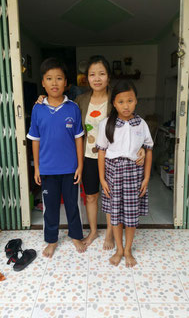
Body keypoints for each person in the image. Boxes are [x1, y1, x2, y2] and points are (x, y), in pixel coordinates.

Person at [75, 55, 145, 248]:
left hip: (112, 159)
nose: (97, 78)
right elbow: (65, 113)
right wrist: (42, 99)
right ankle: (93, 232)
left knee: (110, 197)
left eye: (102, 74)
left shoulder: (116, 99)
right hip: (89, 156)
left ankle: (109, 235)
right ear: (87, 78)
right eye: (92, 74)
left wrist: (142, 148)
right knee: (91, 195)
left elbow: (133, 123)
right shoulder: (80, 100)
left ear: (108, 77)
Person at [27, 57, 86, 258]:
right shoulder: (38, 108)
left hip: (70, 169)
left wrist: (80, 165)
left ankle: (76, 235)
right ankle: (51, 240)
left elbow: (79, 139)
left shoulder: (73, 108)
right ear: (43, 82)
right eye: (49, 78)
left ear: (66, 82)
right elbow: (35, 139)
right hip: (48, 169)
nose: (54, 83)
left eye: (59, 78)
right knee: (50, 208)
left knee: (73, 205)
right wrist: (36, 168)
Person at [96, 79, 153, 267]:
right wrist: (102, 179)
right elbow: (102, 152)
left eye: (130, 101)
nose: (126, 105)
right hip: (113, 175)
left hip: (134, 175)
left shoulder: (141, 124)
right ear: (114, 103)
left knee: (130, 216)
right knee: (116, 215)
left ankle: (128, 249)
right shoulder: (106, 124)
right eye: (121, 102)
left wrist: (146, 177)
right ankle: (119, 249)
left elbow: (148, 149)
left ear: (136, 101)